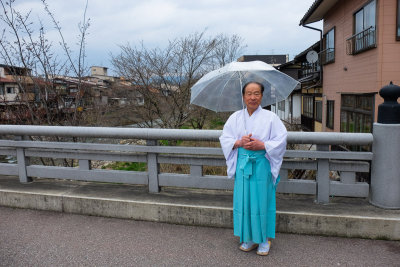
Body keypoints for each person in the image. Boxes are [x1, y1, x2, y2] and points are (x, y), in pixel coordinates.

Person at [219, 81, 287, 256]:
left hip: (261, 164)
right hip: (243, 165)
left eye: (256, 93)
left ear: (262, 96)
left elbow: (281, 140)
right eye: (249, 93)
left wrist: (263, 145)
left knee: (262, 201)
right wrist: (238, 142)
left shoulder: (271, 118)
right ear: (243, 96)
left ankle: (264, 239)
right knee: (244, 202)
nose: (252, 97)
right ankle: (248, 237)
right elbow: (225, 138)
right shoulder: (235, 117)